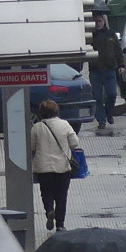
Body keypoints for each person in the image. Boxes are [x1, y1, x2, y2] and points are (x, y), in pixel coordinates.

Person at [28, 97, 81, 232]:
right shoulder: (65, 125)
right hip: (62, 166)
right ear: (56, 111)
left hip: (43, 167)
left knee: (46, 193)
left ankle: (49, 211)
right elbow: (74, 143)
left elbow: (31, 146)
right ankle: (60, 225)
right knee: (61, 196)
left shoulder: (37, 127)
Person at [87, 12, 121, 136]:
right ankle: (101, 120)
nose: (98, 24)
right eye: (95, 21)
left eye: (100, 21)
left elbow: (118, 50)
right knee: (97, 97)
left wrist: (121, 65)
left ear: (104, 21)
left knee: (112, 93)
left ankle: (109, 113)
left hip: (109, 69)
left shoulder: (111, 34)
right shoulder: (90, 36)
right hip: (95, 70)